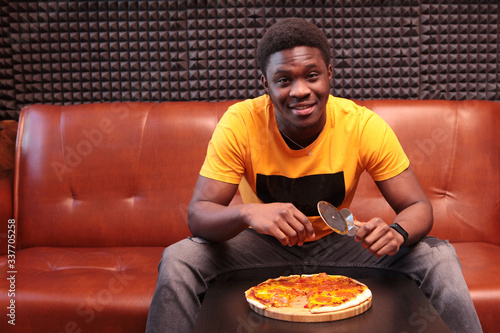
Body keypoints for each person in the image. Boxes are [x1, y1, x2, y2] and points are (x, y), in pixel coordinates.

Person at [145, 18, 482, 333]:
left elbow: (419, 206)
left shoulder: (362, 125)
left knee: (438, 255)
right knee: (179, 258)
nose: (300, 90)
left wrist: (397, 232)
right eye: (284, 80)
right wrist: (248, 212)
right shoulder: (240, 122)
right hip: (261, 246)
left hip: (339, 243)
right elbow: (198, 214)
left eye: (312, 75)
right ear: (265, 84)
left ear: (330, 74)